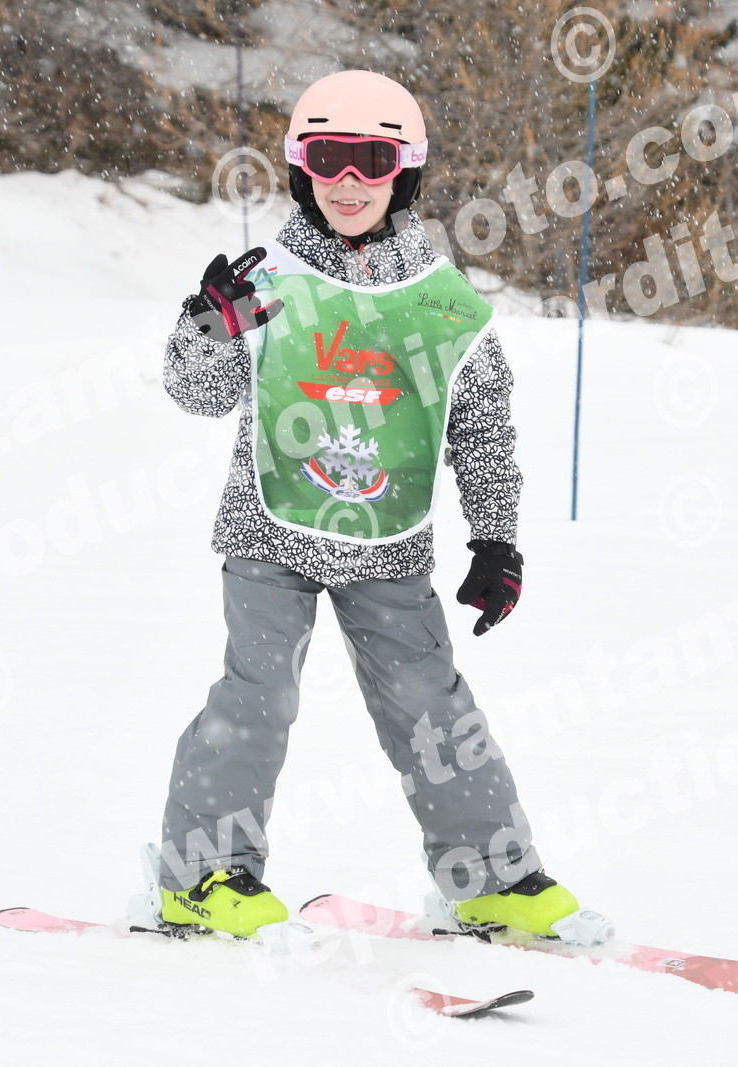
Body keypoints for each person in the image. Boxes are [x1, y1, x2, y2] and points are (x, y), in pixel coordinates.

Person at [149, 70, 607, 946]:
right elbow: (193, 392)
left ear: (408, 171)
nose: (350, 180)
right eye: (329, 158)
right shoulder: (264, 281)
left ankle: (492, 879)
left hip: (387, 544)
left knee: (433, 705)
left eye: (373, 158)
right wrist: (208, 327)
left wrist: (497, 540)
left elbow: (483, 427)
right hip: (269, 531)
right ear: (301, 168)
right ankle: (202, 876)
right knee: (257, 696)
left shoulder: (442, 303)